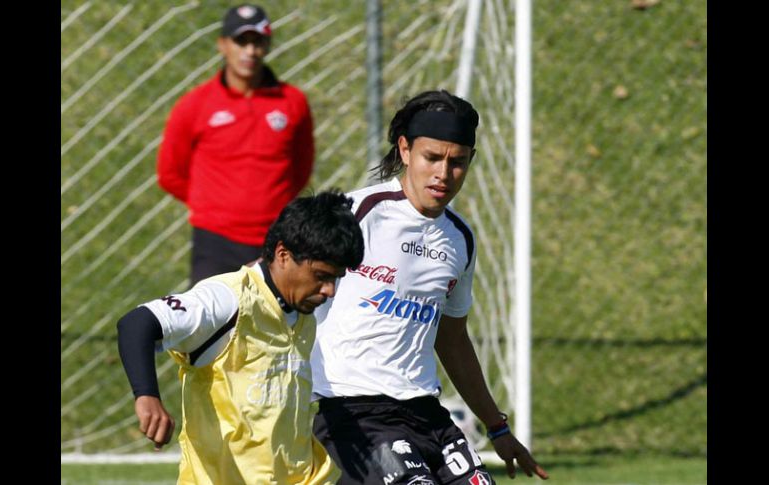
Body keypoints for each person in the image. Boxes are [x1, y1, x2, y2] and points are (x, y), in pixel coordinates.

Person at [310, 90, 550, 484]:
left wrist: (498, 428)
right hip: (354, 414)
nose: (443, 173)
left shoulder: (459, 239)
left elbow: (453, 340)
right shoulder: (357, 214)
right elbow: (280, 280)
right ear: (405, 150)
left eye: (457, 162)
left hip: (426, 413)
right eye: (432, 158)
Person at [116, 190, 364, 485]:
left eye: (335, 278)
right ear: (283, 255)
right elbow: (137, 323)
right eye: (321, 276)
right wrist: (147, 397)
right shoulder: (228, 299)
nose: (330, 290)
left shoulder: (303, 307)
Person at [157, 4, 315, 286]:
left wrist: (269, 207)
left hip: (276, 239)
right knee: (213, 327)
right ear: (223, 45)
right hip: (215, 242)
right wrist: (215, 207)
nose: (250, 51)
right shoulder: (196, 104)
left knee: (275, 324)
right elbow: (170, 173)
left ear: (268, 45)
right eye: (241, 41)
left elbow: (301, 167)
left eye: (258, 42)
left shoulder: (293, 103)